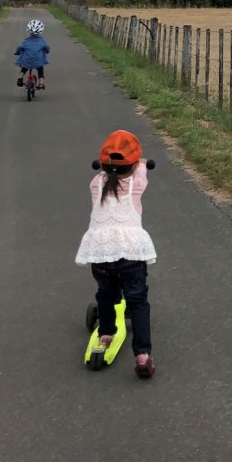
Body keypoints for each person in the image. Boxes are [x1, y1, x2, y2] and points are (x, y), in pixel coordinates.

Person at [75, 129, 157, 379]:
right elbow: (139, 169)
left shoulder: (96, 183)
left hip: (100, 252)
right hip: (131, 253)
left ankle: (106, 332)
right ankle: (142, 356)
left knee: (106, 293)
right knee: (138, 301)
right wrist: (141, 163)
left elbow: (109, 173)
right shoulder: (137, 181)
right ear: (133, 165)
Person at [15, 18, 49, 90]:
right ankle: (41, 83)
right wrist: (47, 51)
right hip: (38, 61)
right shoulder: (42, 41)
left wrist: (17, 52)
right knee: (40, 69)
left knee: (24, 67)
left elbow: (19, 47)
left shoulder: (25, 41)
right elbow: (47, 48)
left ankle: (20, 77)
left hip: (27, 61)